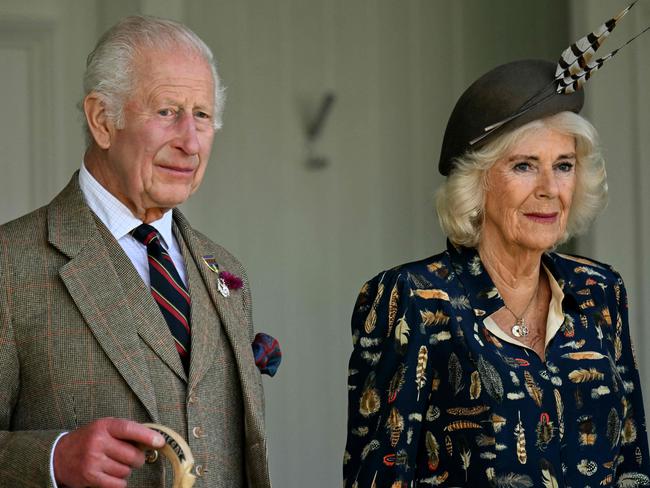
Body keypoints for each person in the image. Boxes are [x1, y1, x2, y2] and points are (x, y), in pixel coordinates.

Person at [343, 12, 650, 488]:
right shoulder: (413, 300)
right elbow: (380, 476)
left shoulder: (600, 290)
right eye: (526, 166)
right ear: (479, 181)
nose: (550, 189)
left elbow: (632, 463)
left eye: (564, 165)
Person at [0, 16, 272, 487]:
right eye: (167, 111)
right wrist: (52, 459)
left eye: (202, 116)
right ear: (103, 121)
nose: (189, 142)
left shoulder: (227, 271)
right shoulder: (9, 263)